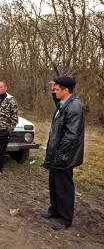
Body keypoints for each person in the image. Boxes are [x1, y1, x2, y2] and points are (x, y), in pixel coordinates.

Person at [41, 76, 85, 231]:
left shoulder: (75, 106)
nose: (55, 91)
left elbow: (71, 136)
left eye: (57, 89)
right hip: (57, 154)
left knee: (64, 187)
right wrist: (54, 88)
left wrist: (60, 156)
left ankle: (66, 218)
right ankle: (54, 210)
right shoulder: (64, 103)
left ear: (66, 90)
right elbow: (57, 102)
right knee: (53, 183)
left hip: (64, 156)